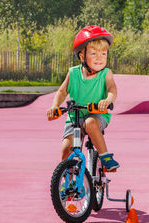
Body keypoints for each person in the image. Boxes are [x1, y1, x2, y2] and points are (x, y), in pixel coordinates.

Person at [47, 25, 120, 171]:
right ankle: (67, 181)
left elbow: (112, 89)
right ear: (82, 56)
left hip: (97, 114)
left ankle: (105, 156)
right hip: (74, 116)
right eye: (94, 54)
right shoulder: (73, 73)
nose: (99, 58)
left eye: (103, 54)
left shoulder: (106, 74)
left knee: (90, 122)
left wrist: (107, 100)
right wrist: (55, 106)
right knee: (66, 151)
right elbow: (61, 92)